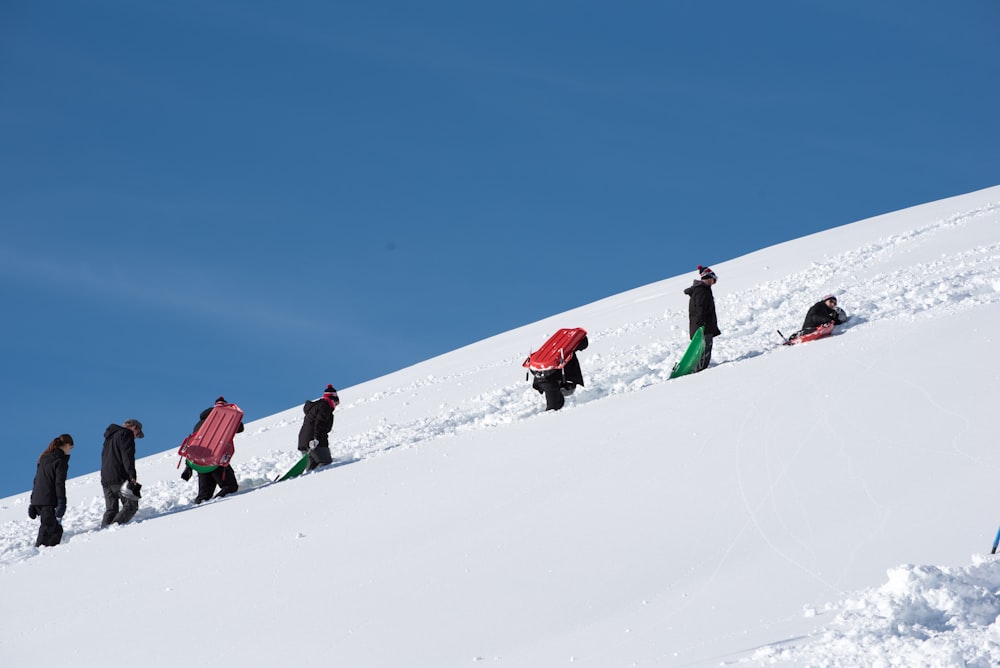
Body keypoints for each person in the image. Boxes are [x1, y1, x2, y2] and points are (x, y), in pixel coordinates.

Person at [181, 396, 244, 503]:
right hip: (215, 461)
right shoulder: (226, 418)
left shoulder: (200, 423)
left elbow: (194, 445)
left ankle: (199, 512)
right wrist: (231, 414)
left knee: (204, 496)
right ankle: (217, 506)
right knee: (230, 486)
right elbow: (240, 428)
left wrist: (188, 467)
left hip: (199, 463)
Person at [28, 434, 74, 547]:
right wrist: (62, 501)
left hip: (39, 499)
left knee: (57, 530)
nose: (70, 451)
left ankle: (50, 554)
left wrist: (33, 502)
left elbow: (37, 480)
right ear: (67, 445)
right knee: (47, 529)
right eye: (71, 448)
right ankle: (37, 554)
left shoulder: (44, 458)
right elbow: (59, 483)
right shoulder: (60, 460)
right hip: (49, 500)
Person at [100, 419, 143, 526]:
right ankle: (114, 528)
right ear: (134, 427)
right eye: (137, 434)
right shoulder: (126, 434)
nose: (135, 437)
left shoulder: (110, 437)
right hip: (119, 476)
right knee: (131, 505)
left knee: (111, 509)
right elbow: (127, 456)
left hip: (106, 478)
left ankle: (102, 533)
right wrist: (132, 475)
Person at [531, 336, 588, 411]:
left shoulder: (552, 348)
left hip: (541, 376)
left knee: (557, 403)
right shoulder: (565, 349)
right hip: (549, 379)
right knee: (553, 408)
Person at [683, 265, 721, 372]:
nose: (714, 283)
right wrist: (702, 324)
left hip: (701, 326)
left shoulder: (701, 290)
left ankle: (697, 369)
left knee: (701, 350)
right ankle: (700, 371)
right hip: (703, 326)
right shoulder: (702, 291)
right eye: (713, 280)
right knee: (704, 350)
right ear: (708, 278)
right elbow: (700, 308)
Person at [297, 385, 340, 471]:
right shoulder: (325, 406)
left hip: (304, 441)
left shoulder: (317, 406)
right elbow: (319, 423)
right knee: (326, 463)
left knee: (312, 469)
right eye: (336, 403)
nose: (335, 406)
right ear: (333, 400)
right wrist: (316, 438)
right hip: (314, 442)